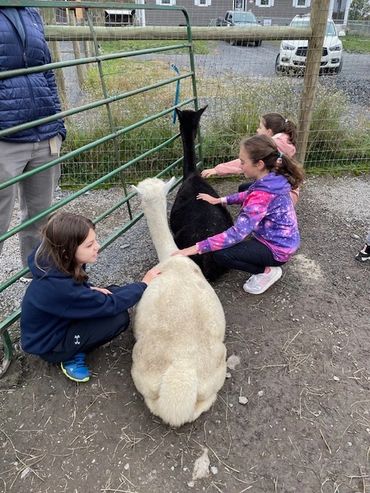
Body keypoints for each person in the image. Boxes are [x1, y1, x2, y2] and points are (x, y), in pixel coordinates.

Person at [20, 212, 160, 383]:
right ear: (68, 251)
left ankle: (73, 344)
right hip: (50, 344)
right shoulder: (60, 289)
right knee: (119, 318)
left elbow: (73, 288)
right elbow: (110, 305)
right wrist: (144, 284)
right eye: (89, 245)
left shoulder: (54, 259)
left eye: (95, 241)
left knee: (113, 291)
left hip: (60, 319)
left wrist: (89, 289)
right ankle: (68, 356)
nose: (97, 246)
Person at [172, 134, 304, 295]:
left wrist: (194, 248)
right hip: (283, 239)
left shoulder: (262, 195)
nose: (240, 166)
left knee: (220, 255)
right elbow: (248, 193)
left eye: (243, 162)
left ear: (259, 164)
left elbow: (235, 234)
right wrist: (220, 200)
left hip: (277, 249)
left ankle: (267, 271)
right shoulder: (273, 178)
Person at [0, 7, 66, 273]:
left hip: (44, 132)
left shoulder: (32, 12)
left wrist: (57, 123)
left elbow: (46, 71)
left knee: (40, 216)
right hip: (6, 136)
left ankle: (35, 274)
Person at [201, 113, 299, 205]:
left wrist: (217, 170)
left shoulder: (273, 146)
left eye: (260, 127)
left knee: (249, 194)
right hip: (284, 186)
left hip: (281, 194)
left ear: (269, 132)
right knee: (244, 188)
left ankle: (251, 213)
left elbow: (246, 162)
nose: (257, 130)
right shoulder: (284, 141)